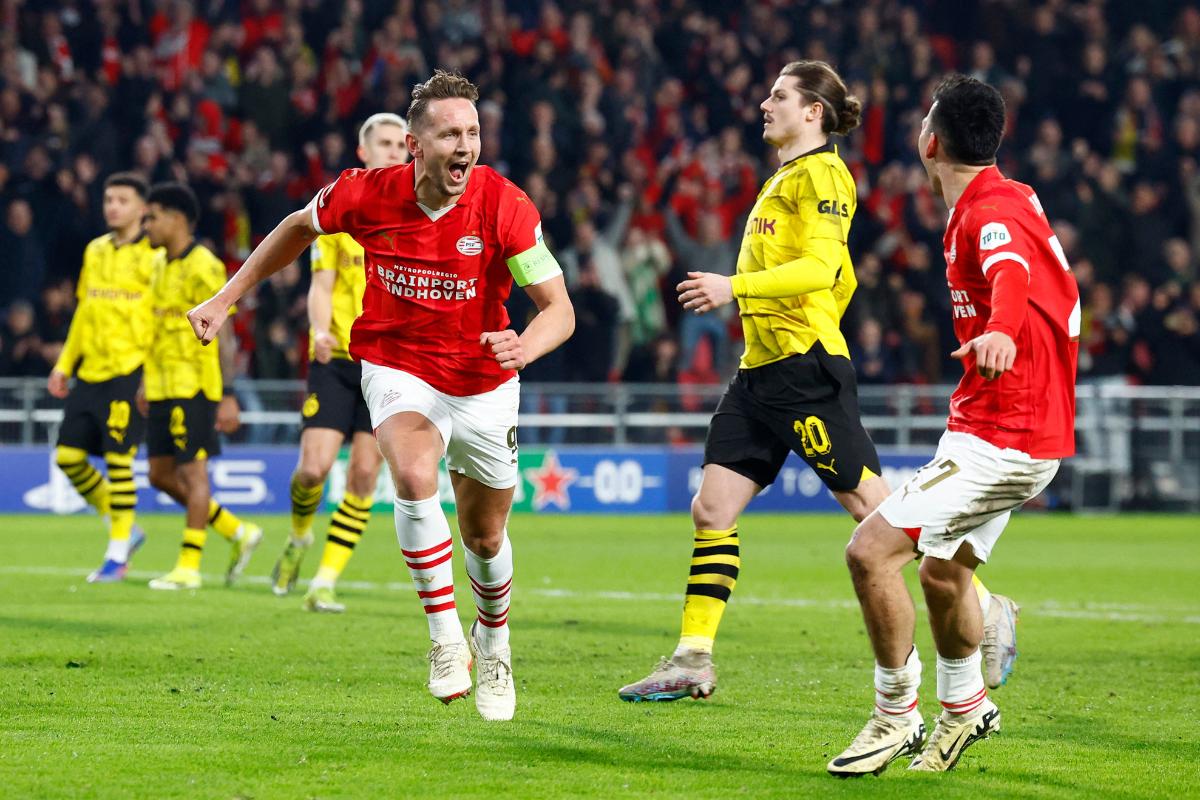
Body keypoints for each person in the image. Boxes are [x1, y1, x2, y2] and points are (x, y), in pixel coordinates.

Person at [618, 61, 1018, 704]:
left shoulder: (826, 176)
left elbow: (820, 265)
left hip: (805, 371)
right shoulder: (784, 176)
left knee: (876, 514)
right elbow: (842, 277)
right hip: (759, 372)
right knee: (711, 509)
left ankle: (985, 603)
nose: (763, 104)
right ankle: (693, 658)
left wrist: (734, 287)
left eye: (779, 95)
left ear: (814, 113)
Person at [185, 71, 574, 722]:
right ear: (415, 146)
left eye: (473, 133)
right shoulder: (364, 196)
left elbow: (557, 308)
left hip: (483, 378)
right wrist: (226, 297)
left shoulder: (504, 205)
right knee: (415, 474)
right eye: (450, 133)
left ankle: (495, 641)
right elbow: (295, 227)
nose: (465, 145)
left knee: (484, 536)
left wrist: (526, 347)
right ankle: (445, 636)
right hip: (396, 363)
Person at [830, 75, 1079, 775]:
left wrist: (1001, 331)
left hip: (1007, 435)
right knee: (942, 577)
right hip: (1001, 427)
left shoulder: (986, 212)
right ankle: (967, 710)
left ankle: (893, 715)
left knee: (870, 553)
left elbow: (1009, 272)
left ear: (930, 141)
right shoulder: (1005, 195)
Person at [271, 113, 411, 614]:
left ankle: (324, 582)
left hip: (387, 363)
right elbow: (321, 286)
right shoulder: (340, 214)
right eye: (386, 143)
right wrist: (320, 330)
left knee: (363, 478)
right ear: (364, 152)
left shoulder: (418, 216)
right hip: (335, 358)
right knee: (313, 469)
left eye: (402, 143)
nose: (396, 151)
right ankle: (299, 537)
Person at [138, 182, 263, 591]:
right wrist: (144, 379)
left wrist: (227, 392)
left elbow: (223, 335)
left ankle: (188, 567)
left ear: (176, 218)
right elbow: (156, 328)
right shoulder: (158, 265)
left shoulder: (204, 265)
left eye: (152, 216)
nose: (147, 225)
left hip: (194, 385)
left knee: (194, 475)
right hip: (160, 384)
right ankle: (236, 531)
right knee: (159, 475)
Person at [48, 173, 158, 582]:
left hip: (130, 371)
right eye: (109, 199)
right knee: (68, 457)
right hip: (90, 371)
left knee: (119, 461)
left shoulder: (154, 257)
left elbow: (161, 321)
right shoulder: (95, 251)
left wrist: (151, 375)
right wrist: (64, 363)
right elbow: (83, 311)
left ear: (142, 208)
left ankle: (117, 555)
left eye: (122, 200)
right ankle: (127, 529)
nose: (113, 206)